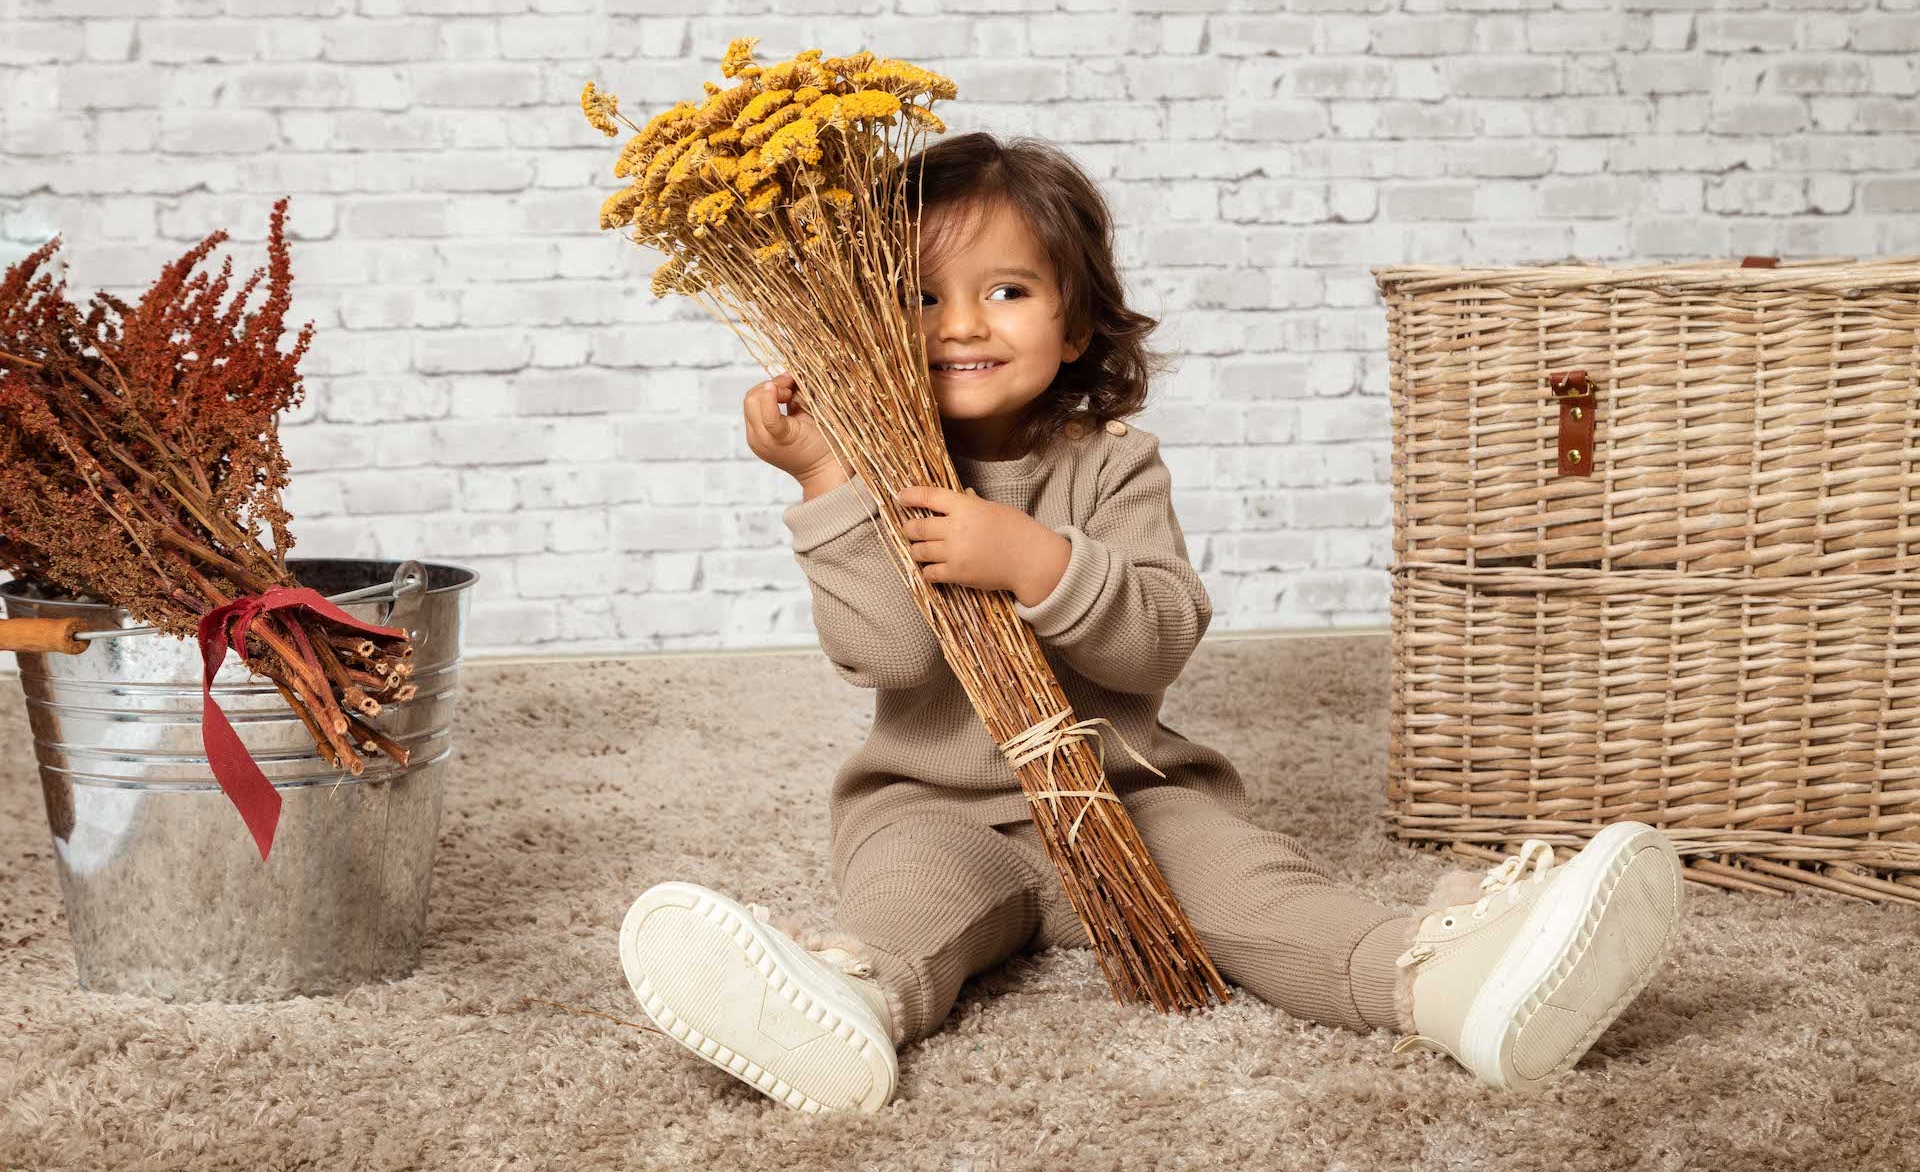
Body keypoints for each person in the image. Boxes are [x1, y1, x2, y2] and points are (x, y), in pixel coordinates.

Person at [618, 132, 1687, 1116]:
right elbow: (885, 653)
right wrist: (822, 480)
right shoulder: (878, 477)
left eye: (1007, 289)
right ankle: (847, 1006)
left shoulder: (1111, 463)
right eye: (919, 295)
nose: (961, 324)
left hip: (1125, 793)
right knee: (904, 919)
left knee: (1265, 892)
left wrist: (1034, 560)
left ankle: (1447, 978)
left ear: (1076, 319)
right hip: (930, 805)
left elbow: (1160, 637)